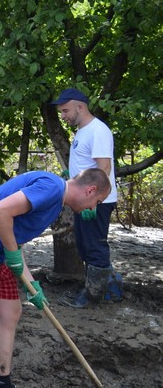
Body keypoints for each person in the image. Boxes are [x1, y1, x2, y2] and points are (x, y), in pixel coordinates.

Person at [0, 169, 111, 388]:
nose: (93, 208)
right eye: (97, 202)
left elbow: (12, 236)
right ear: (90, 190)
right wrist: (13, 255)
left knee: (11, 312)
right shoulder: (52, 188)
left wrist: (32, 284)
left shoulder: (56, 202)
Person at [51, 88, 122, 308]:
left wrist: (94, 201)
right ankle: (108, 288)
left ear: (80, 107)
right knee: (84, 245)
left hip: (97, 201)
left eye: (65, 111)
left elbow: (103, 168)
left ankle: (93, 297)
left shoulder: (97, 130)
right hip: (86, 199)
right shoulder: (82, 131)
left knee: (94, 247)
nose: (63, 116)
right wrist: (72, 175)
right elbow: (88, 167)